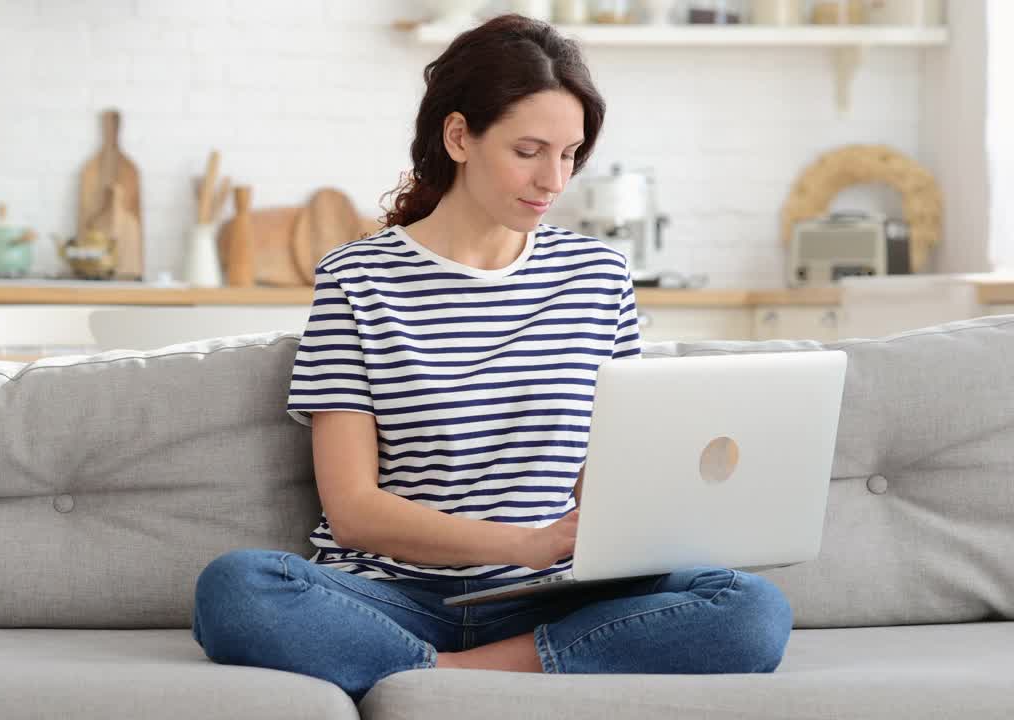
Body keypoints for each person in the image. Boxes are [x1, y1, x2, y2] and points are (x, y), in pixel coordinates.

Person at [191, 13, 792, 704]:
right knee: (236, 589)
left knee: (753, 611)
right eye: (530, 150)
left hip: (552, 598)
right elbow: (354, 511)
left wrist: (634, 527)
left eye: (570, 154)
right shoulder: (358, 279)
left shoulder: (598, 277)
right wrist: (523, 543)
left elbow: (614, 476)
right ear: (459, 137)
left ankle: (438, 678)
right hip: (396, 596)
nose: (553, 179)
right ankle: (500, 666)